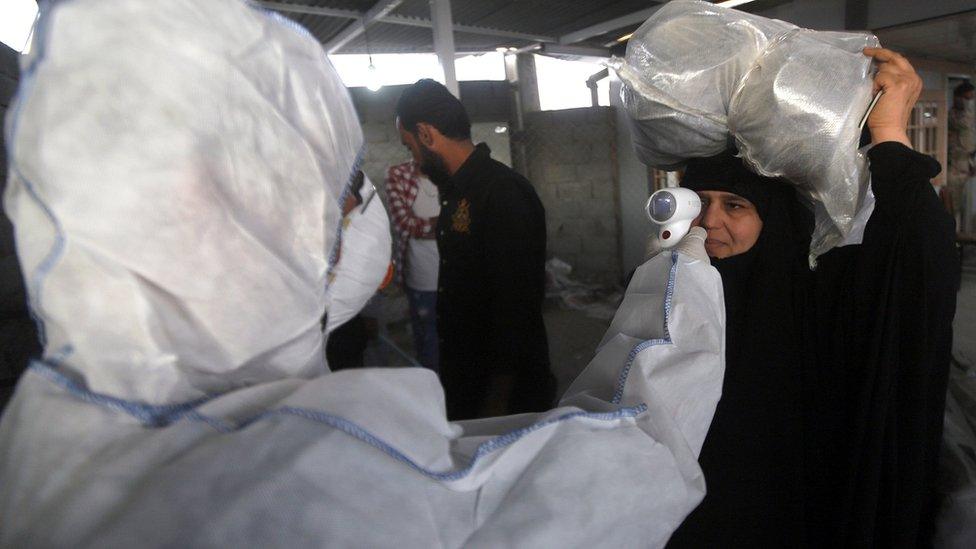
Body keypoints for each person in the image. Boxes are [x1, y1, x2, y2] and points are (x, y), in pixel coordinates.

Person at [0, 1, 727, 546]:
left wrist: (500, 391)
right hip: (479, 378)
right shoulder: (365, 469)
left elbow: (512, 306)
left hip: (498, 373)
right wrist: (683, 285)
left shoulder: (51, 462)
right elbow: (628, 456)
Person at [668, 48, 959, 547]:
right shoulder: (669, 288)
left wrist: (888, 137)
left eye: (734, 204)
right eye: (700, 203)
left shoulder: (817, 299)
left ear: (776, 217)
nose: (709, 222)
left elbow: (913, 262)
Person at [394, 79, 556, 420]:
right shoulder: (456, 193)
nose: (415, 162)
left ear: (425, 134)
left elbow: (516, 306)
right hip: (468, 376)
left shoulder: (502, 192)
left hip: (504, 394)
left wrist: (498, 399)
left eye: (410, 148)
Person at [385, 160, 440, 372]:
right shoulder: (399, 175)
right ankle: (432, 389)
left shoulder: (454, 170)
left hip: (458, 272)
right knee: (428, 341)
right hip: (422, 275)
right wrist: (446, 223)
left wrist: (427, 225)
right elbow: (403, 224)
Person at [948, 80, 975, 230]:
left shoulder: (967, 115)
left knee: (966, 205)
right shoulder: (953, 116)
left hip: (966, 164)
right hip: (955, 168)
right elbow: (964, 125)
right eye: (967, 98)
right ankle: (955, 238)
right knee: (954, 205)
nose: (969, 102)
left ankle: (961, 233)